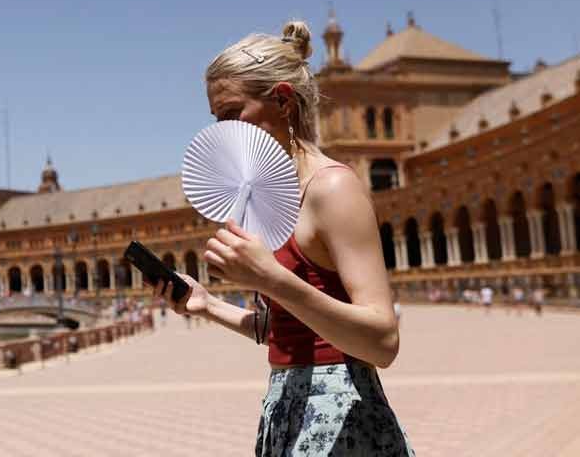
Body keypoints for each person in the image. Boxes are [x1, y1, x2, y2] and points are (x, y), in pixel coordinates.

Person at [149, 23, 413, 456]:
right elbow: (286, 328)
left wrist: (270, 279)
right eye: (216, 120)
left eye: (233, 113)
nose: (223, 132)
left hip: (339, 411)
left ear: (284, 101)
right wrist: (206, 304)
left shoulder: (332, 189)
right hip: (285, 404)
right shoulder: (267, 197)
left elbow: (383, 341)